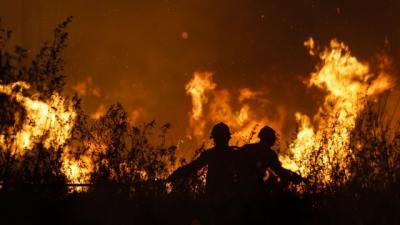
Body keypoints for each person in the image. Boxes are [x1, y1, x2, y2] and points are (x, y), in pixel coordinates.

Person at [167, 122, 240, 225]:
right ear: (228, 138)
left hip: (215, 199)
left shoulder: (211, 154)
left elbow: (192, 167)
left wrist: (174, 175)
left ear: (215, 139)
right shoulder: (235, 155)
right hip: (229, 200)